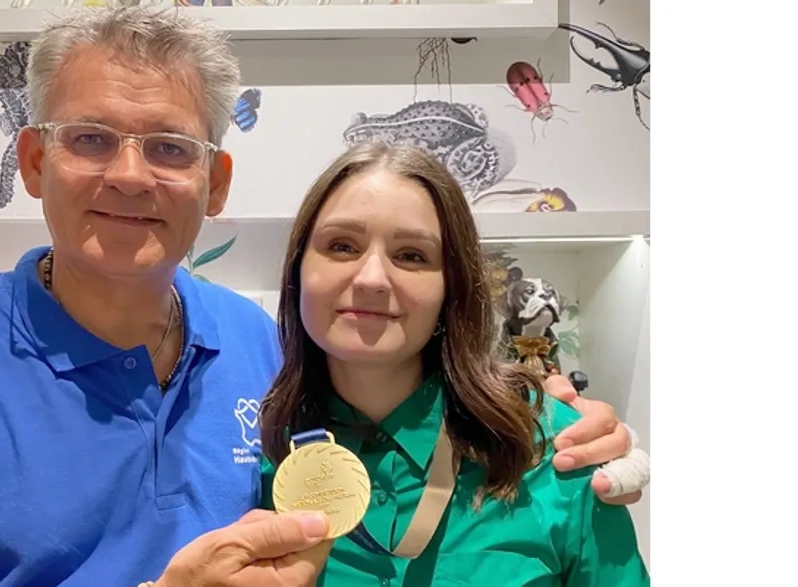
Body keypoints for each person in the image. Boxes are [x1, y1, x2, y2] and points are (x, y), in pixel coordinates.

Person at [0, 6, 650, 587]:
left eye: (170, 147)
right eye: (91, 138)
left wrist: (560, 425)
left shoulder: (263, 352)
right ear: (35, 161)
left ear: (214, 184)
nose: (130, 175)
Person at [258, 141, 649, 586]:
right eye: (342, 245)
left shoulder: (553, 450)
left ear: (452, 286)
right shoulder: (261, 461)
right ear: (298, 270)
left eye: (411, 255)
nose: (371, 278)